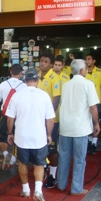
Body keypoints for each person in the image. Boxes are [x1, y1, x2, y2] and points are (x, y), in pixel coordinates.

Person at [6, 68, 55, 201]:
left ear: (25, 80)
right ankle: (38, 190)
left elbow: (10, 118)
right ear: (37, 80)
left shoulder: (17, 95)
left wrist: (10, 133)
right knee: (39, 164)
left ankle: (25, 189)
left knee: (22, 162)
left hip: (21, 137)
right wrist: (49, 135)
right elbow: (50, 119)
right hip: (39, 137)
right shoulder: (44, 95)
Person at [57, 59, 100, 195]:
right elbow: (92, 106)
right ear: (82, 70)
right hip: (80, 127)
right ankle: (76, 188)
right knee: (79, 159)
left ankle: (61, 184)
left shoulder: (66, 85)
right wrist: (96, 123)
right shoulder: (88, 84)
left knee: (63, 157)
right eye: (85, 68)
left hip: (65, 126)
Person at [0, 64, 25, 170]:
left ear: (10, 72)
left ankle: (6, 154)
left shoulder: (3, 84)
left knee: (3, 138)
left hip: (5, 115)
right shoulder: (24, 86)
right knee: (17, 138)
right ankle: (14, 158)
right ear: (21, 73)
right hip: (19, 117)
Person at [37, 53, 61, 189]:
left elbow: (56, 99)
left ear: (51, 64)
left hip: (51, 120)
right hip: (37, 120)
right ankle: (42, 170)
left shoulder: (54, 78)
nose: (43, 63)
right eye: (41, 61)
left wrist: (48, 117)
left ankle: (52, 175)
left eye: (46, 61)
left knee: (52, 149)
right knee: (40, 147)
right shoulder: (37, 76)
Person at [85, 53, 101, 154]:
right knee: (86, 123)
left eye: (89, 59)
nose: (87, 61)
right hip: (84, 103)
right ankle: (89, 143)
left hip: (96, 102)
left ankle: (94, 143)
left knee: (95, 123)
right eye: (86, 59)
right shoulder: (83, 71)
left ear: (94, 61)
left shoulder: (99, 72)